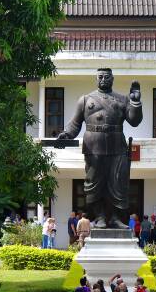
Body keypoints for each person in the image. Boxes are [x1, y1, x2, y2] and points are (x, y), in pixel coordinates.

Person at [56, 69, 143, 229]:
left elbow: (134, 121)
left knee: (118, 183)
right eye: (100, 77)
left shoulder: (122, 99)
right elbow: (75, 124)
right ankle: (100, 216)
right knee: (94, 184)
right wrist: (66, 134)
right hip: (93, 147)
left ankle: (116, 218)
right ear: (96, 79)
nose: (103, 79)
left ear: (113, 79)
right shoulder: (85, 99)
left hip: (117, 146)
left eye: (107, 77)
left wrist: (135, 102)